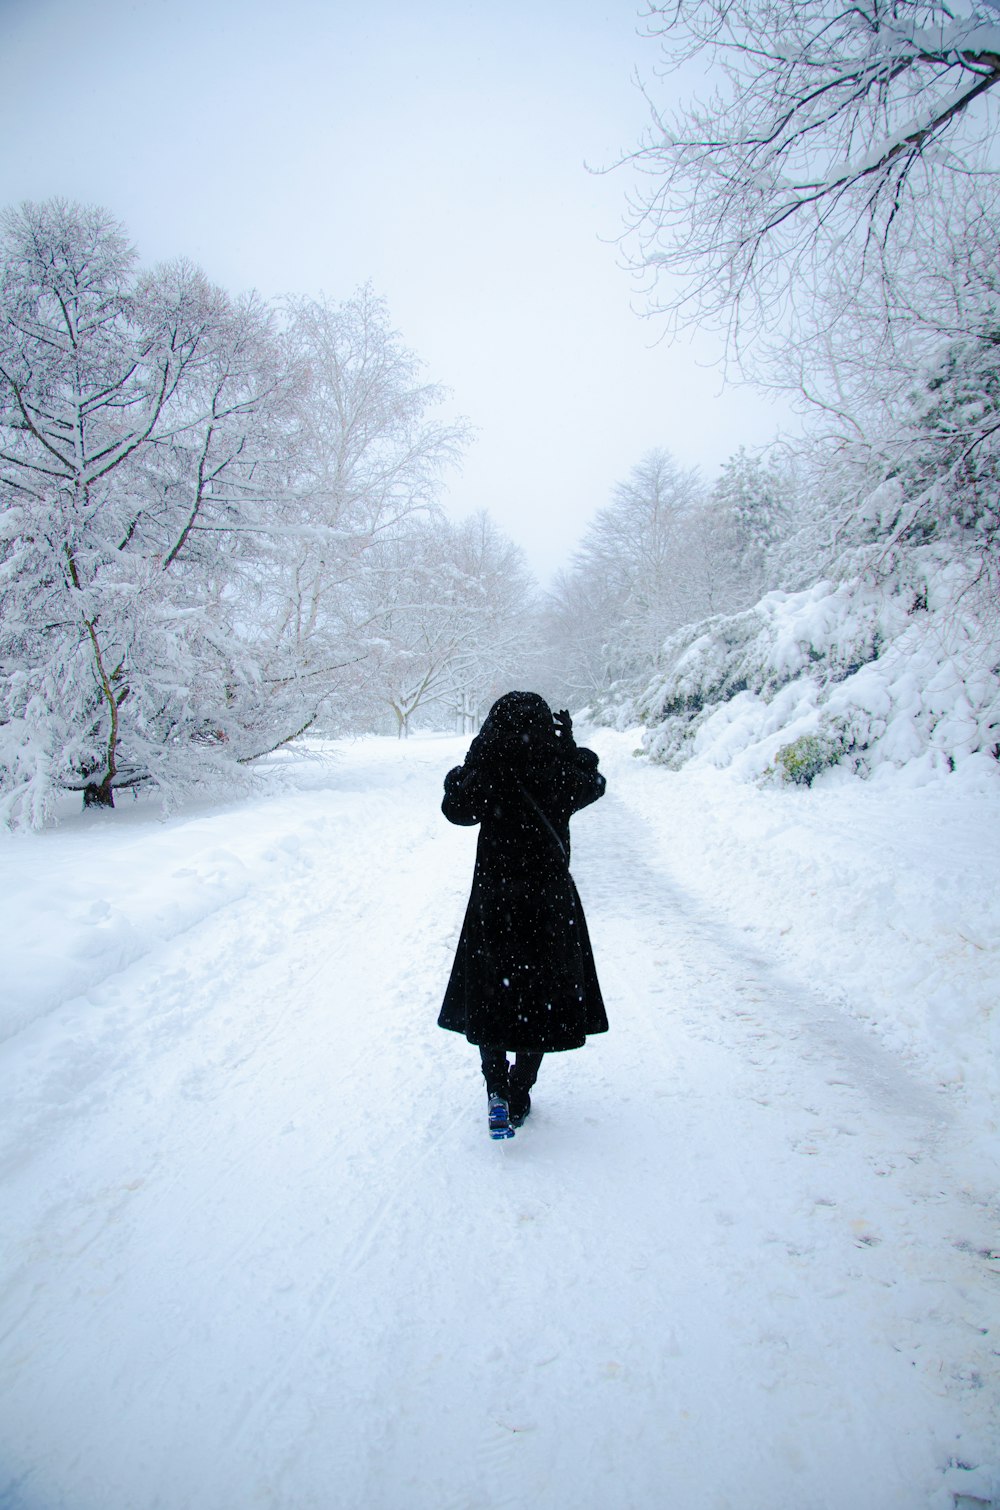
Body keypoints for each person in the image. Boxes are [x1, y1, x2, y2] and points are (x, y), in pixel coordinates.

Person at [438, 690, 608, 1139]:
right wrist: (567, 746)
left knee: (493, 993)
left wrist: (477, 751)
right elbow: (593, 782)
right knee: (540, 997)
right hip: (548, 903)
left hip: (494, 900)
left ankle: (495, 1088)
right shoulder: (555, 768)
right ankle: (520, 1088)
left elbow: (456, 807)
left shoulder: (490, 768)